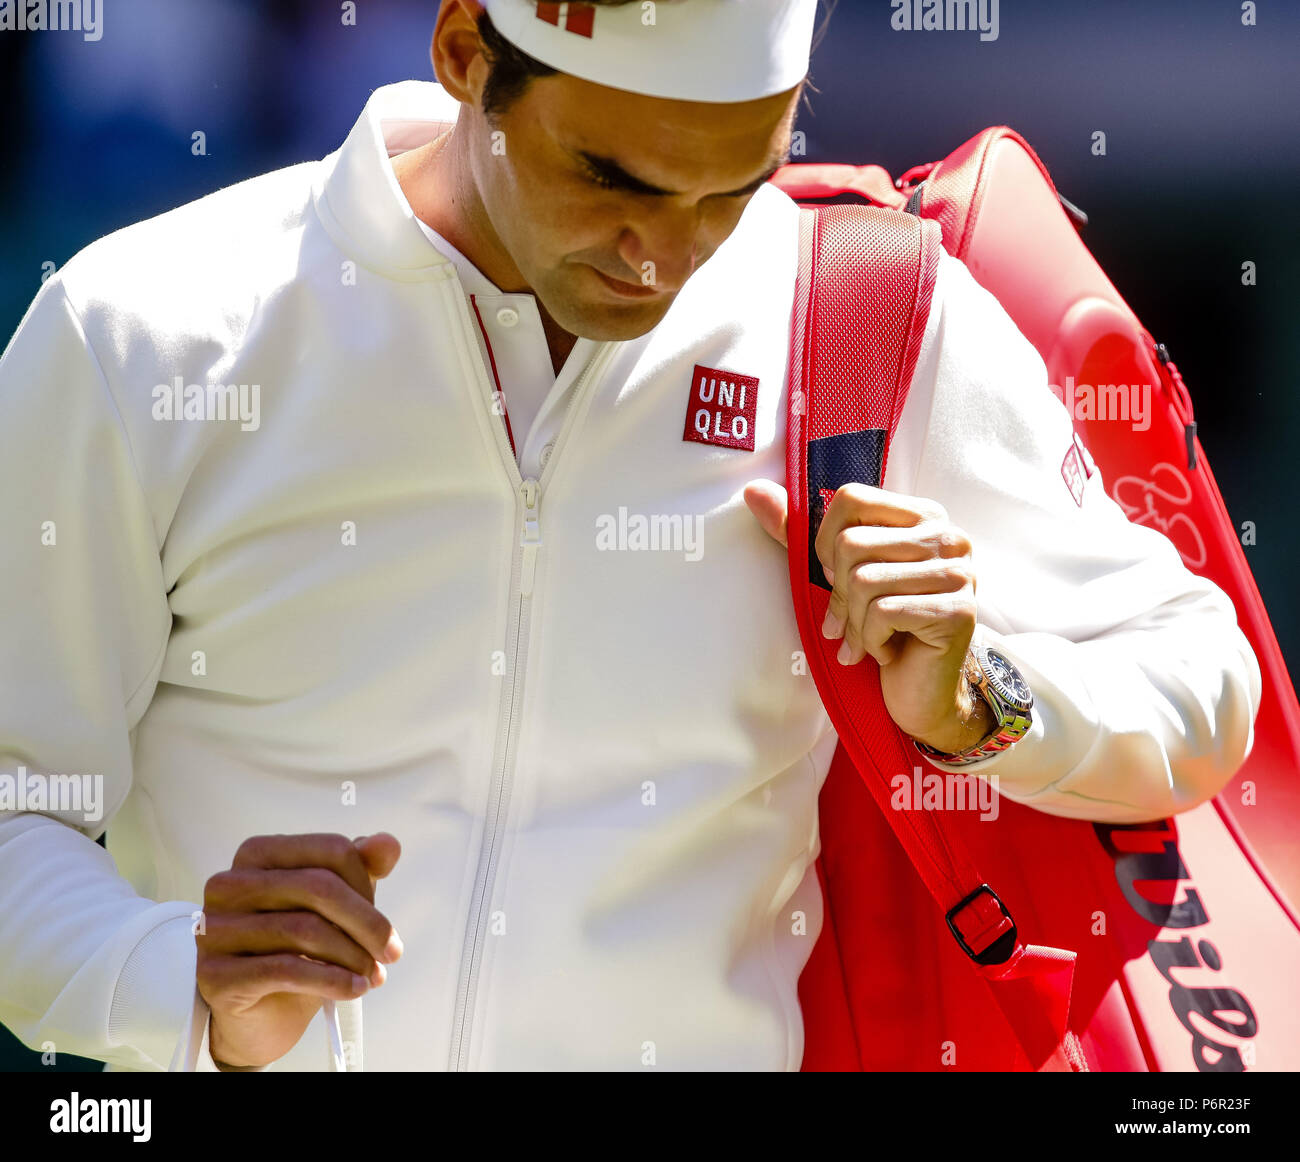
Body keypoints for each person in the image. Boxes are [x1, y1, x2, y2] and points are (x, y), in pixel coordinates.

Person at [0, 0, 1260, 1072]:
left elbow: (1201, 683)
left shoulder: (874, 307)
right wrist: (181, 988)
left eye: (734, 184)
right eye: (609, 177)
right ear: (462, 55)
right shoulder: (141, 331)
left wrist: (980, 693)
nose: (663, 257)